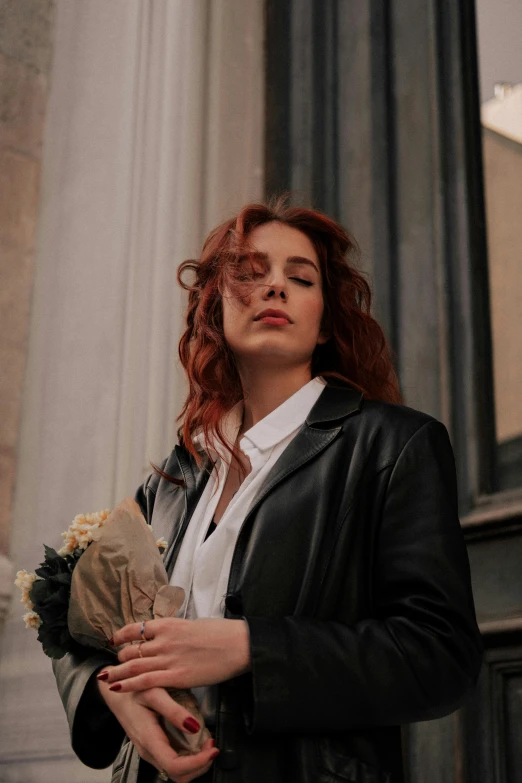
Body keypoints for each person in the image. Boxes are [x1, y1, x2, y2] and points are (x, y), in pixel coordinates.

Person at [52, 196, 484, 783]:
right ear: (215, 308)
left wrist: (252, 649)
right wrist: (113, 690)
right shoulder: (174, 477)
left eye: (299, 278)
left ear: (325, 320)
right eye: (251, 275)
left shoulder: (393, 445)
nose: (275, 287)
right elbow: (79, 621)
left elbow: (440, 656)